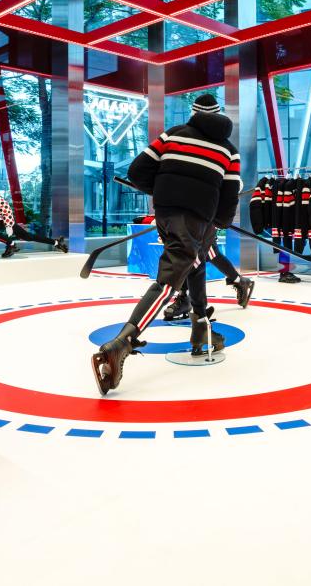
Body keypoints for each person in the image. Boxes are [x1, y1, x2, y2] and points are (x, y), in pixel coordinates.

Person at [92, 93, 240, 395]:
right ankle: (123, 342)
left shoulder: (173, 134)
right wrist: (220, 221)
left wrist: (164, 192)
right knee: (169, 280)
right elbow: (230, 195)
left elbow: (137, 171)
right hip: (199, 218)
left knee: (194, 263)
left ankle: (200, 327)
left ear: (195, 113)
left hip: (166, 213)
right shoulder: (229, 150)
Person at [0, 174, 68, 258]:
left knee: (26, 236)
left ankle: (56, 243)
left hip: (5, 220)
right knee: (27, 236)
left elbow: (6, 209)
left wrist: (8, 225)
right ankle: (56, 242)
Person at [162, 245, 254, 321]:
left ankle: (239, 281)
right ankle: (185, 297)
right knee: (185, 251)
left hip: (201, 229)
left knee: (208, 251)